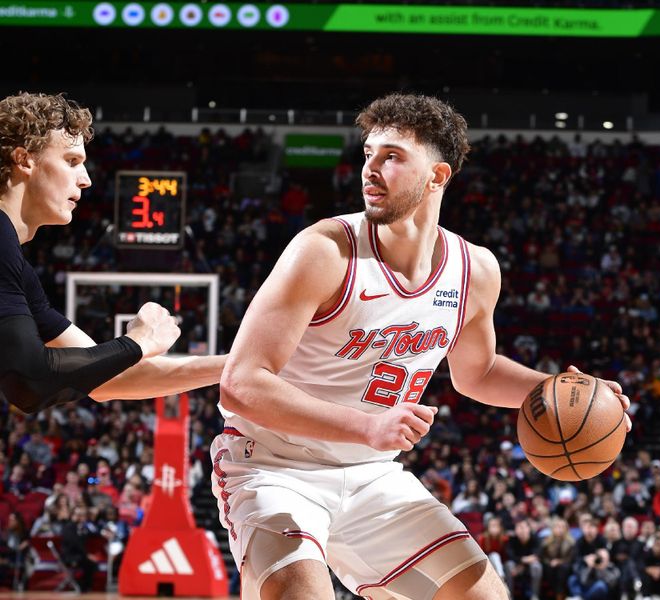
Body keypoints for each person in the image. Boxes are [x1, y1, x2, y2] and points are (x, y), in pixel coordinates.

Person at [213, 93, 631, 600]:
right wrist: (369, 425)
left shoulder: (474, 269)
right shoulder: (324, 251)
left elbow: (476, 373)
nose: (370, 168)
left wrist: (565, 392)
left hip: (371, 476)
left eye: (391, 156)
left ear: (438, 176)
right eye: (368, 153)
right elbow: (240, 385)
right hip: (273, 465)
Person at [0, 92, 226, 412]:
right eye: (72, 161)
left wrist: (239, 365)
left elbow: (107, 378)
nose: (87, 180)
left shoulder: (16, 267)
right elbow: (29, 382)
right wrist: (138, 342)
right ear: (24, 160)